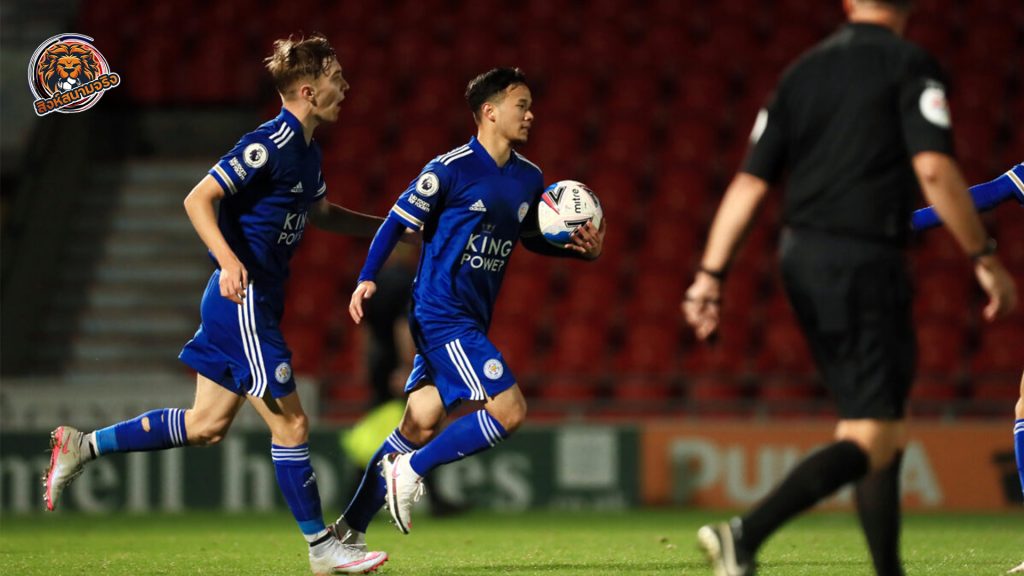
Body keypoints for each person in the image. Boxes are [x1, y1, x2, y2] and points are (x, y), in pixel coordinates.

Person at [681, 2, 1018, 575]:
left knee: (876, 423)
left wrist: (710, 275)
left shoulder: (802, 72)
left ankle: (888, 570)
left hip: (801, 258)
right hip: (864, 259)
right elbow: (934, 169)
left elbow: (748, 184)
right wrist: (984, 257)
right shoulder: (910, 65)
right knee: (874, 434)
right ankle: (745, 534)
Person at [43, 34, 395, 575]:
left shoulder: (307, 152)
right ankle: (322, 548)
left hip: (252, 300)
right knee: (293, 426)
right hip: (242, 297)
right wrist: (229, 261)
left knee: (205, 425)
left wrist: (394, 229)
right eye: (336, 78)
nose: (346, 87)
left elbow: (322, 214)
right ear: (308, 89)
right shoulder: (270, 143)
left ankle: (83, 445)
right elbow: (198, 198)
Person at [328, 67, 604, 552]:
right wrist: (367, 276)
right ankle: (411, 470)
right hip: (441, 312)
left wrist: (582, 252)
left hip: (471, 316)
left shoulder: (529, 178)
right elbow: (395, 222)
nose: (531, 115)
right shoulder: (449, 169)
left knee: (419, 422)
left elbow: (531, 238)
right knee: (510, 411)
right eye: (522, 106)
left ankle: (346, 533)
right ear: (489, 112)